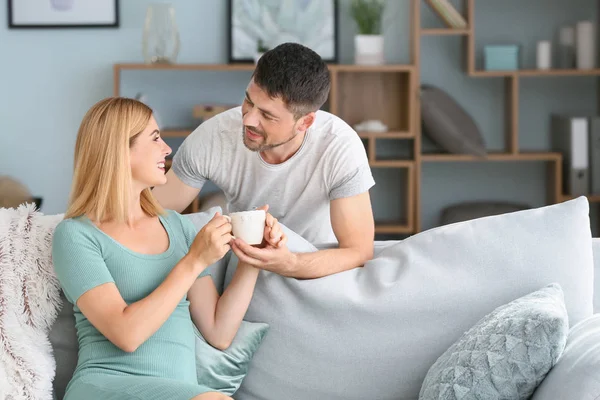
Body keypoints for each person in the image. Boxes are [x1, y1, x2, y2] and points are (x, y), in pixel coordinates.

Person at [51, 97, 286, 400]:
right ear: (120, 150)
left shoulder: (177, 227)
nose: (167, 149)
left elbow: (219, 332)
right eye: (155, 138)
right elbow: (127, 335)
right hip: (105, 387)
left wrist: (254, 255)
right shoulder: (75, 235)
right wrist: (194, 261)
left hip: (182, 393)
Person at [152, 43, 376, 279]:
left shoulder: (339, 146)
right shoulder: (213, 137)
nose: (248, 120)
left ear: (305, 123)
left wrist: (289, 263)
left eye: (267, 115)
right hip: (245, 266)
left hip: (316, 266)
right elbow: (152, 218)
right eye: (248, 101)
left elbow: (359, 252)